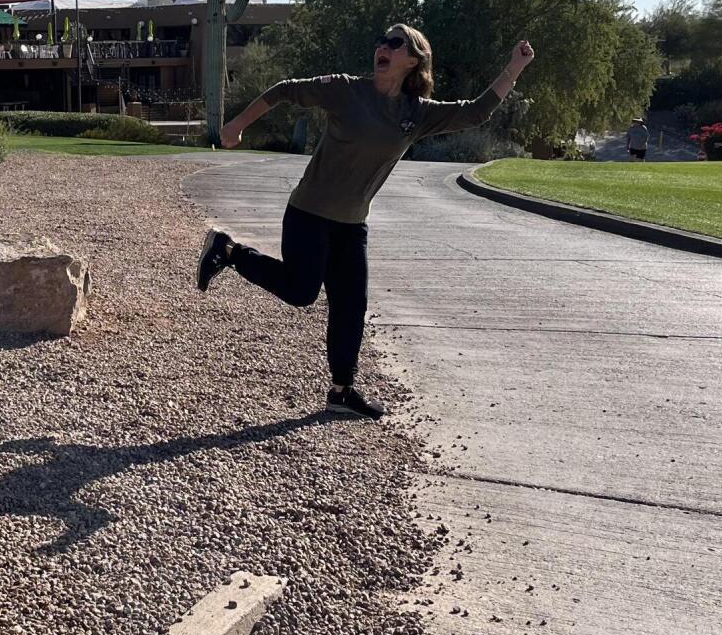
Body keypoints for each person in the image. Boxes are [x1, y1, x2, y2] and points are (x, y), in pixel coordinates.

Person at [197, 25, 536, 418]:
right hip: (309, 214)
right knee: (301, 292)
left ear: (414, 60)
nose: (382, 47)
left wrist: (515, 67)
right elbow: (285, 90)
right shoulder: (346, 90)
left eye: (394, 43)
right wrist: (236, 125)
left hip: (352, 225)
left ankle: (341, 392)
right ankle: (228, 251)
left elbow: (476, 111)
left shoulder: (417, 113)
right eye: (380, 40)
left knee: (351, 305)